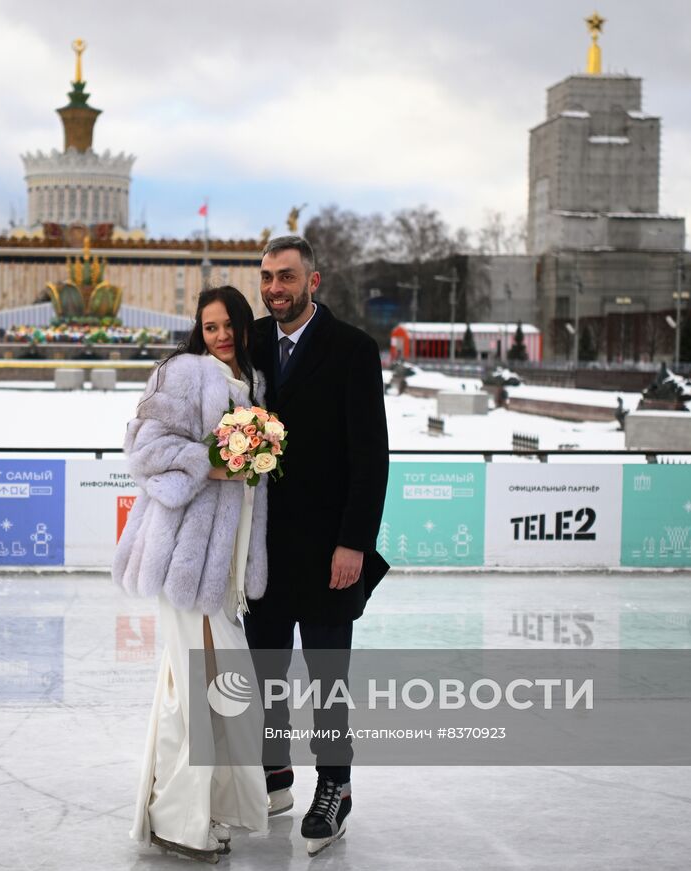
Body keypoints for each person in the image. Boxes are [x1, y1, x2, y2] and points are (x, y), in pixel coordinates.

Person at [113, 286, 270, 863]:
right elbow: (146, 449)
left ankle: (201, 812)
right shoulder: (182, 373)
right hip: (186, 559)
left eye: (229, 325)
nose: (221, 335)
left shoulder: (253, 384)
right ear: (197, 332)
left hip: (223, 569)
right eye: (210, 327)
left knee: (211, 693)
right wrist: (211, 463)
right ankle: (180, 822)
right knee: (198, 695)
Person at [248, 235, 390, 856]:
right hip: (262, 552)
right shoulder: (248, 342)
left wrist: (354, 543)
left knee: (327, 678)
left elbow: (370, 457)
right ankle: (273, 771)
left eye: (286, 277)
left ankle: (335, 784)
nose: (274, 288)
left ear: (315, 280)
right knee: (265, 672)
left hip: (330, 550)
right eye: (267, 277)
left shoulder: (353, 350)